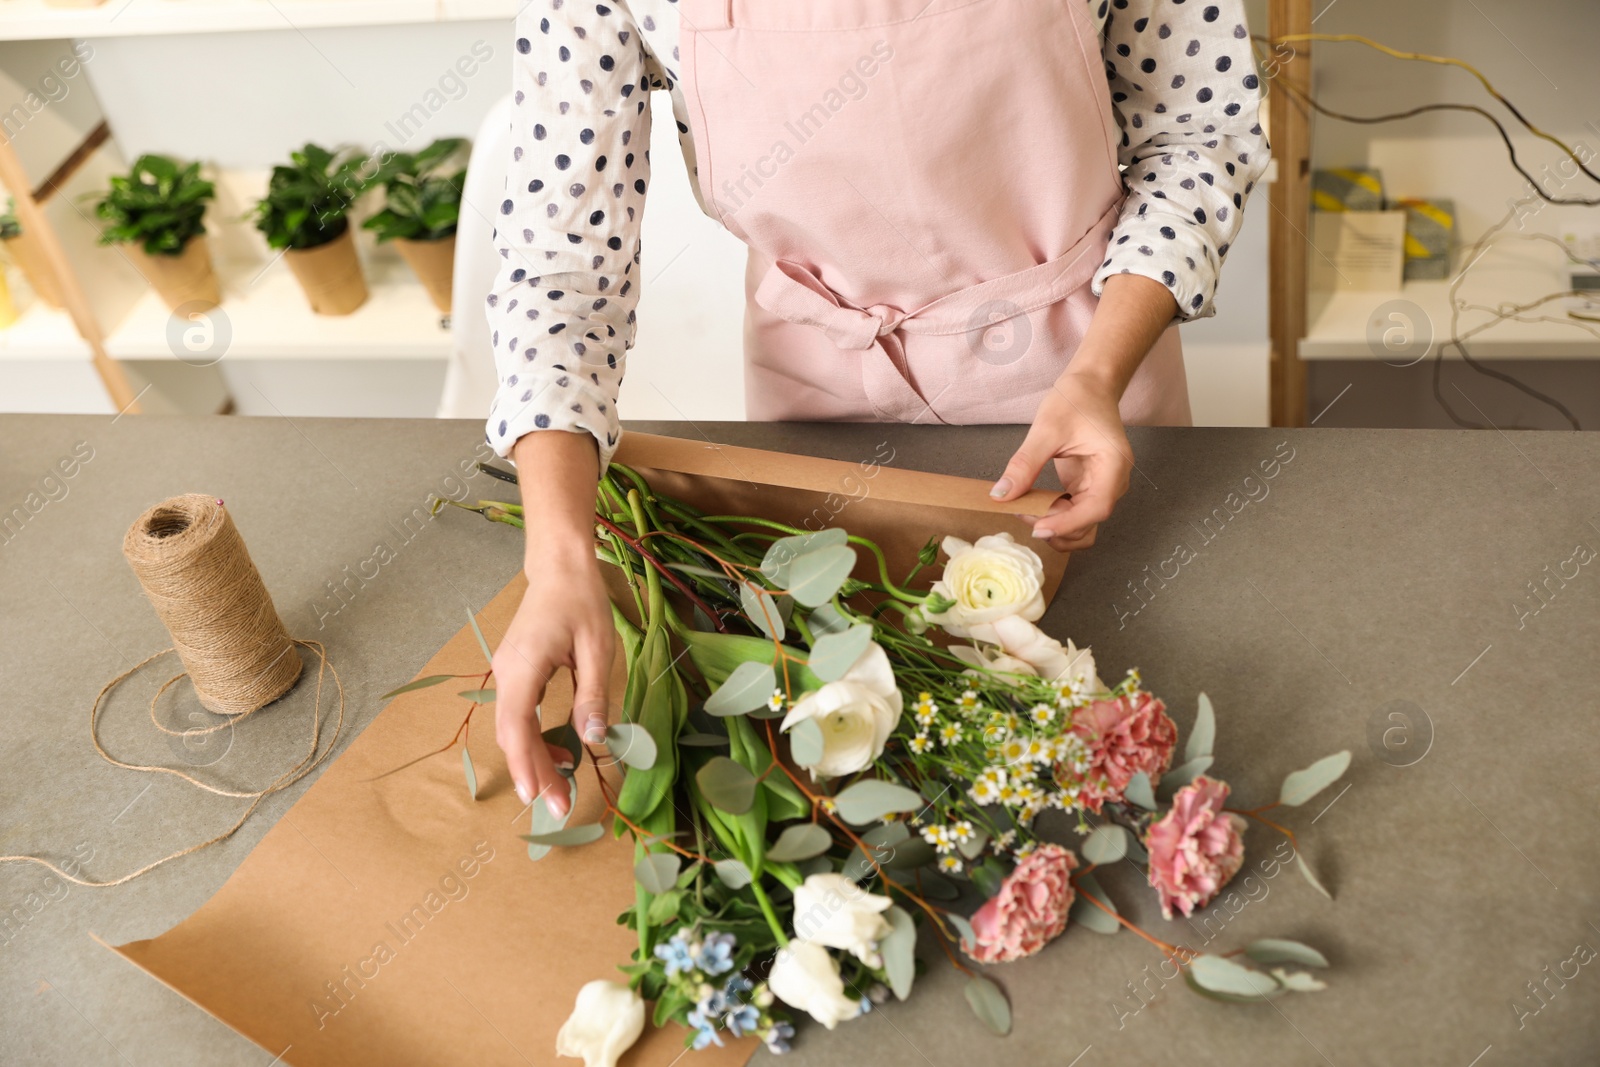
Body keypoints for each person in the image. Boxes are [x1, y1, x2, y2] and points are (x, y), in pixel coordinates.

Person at [485, 0, 1268, 815]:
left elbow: (1196, 130)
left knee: (1130, 751)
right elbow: (561, 266)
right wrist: (561, 557)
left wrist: (1100, 372)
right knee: (861, 773)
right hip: (818, 411)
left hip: (1085, 383)